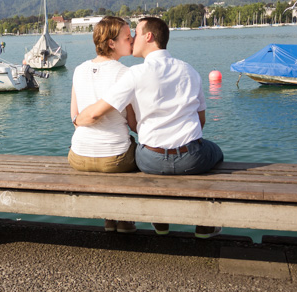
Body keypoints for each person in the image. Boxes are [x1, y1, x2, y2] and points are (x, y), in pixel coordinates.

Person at [75, 16, 224, 238]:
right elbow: (200, 121)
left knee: (137, 150)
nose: (132, 38)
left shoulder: (134, 74)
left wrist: (78, 120)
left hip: (150, 160)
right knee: (216, 153)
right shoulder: (189, 70)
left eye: (135, 32)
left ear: (149, 36)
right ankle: (205, 223)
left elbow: (97, 111)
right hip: (191, 157)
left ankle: (160, 220)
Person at [68, 16, 138, 233]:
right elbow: (135, 124)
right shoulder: (125, 73)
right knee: (138, 149)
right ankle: (125, 220)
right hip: (115, 160)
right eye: (128, 37)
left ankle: (109, 220)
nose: (133, 40)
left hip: (78, 156)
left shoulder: (79, 69)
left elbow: (75, 117)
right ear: (111, 43)